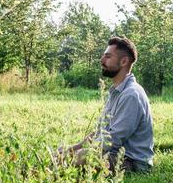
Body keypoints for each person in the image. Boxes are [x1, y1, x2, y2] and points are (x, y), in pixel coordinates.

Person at [62, 37, 154, 173]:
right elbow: (101, 131)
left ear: (123, 61)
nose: (102, 60)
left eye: (108, 56)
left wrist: (79, 153)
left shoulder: (131, 94)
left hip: (133, 163)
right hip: (116, 155)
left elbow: (113, 139)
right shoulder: (116, 91)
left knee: (81, 157)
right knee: (63, 152)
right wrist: (72, 148)